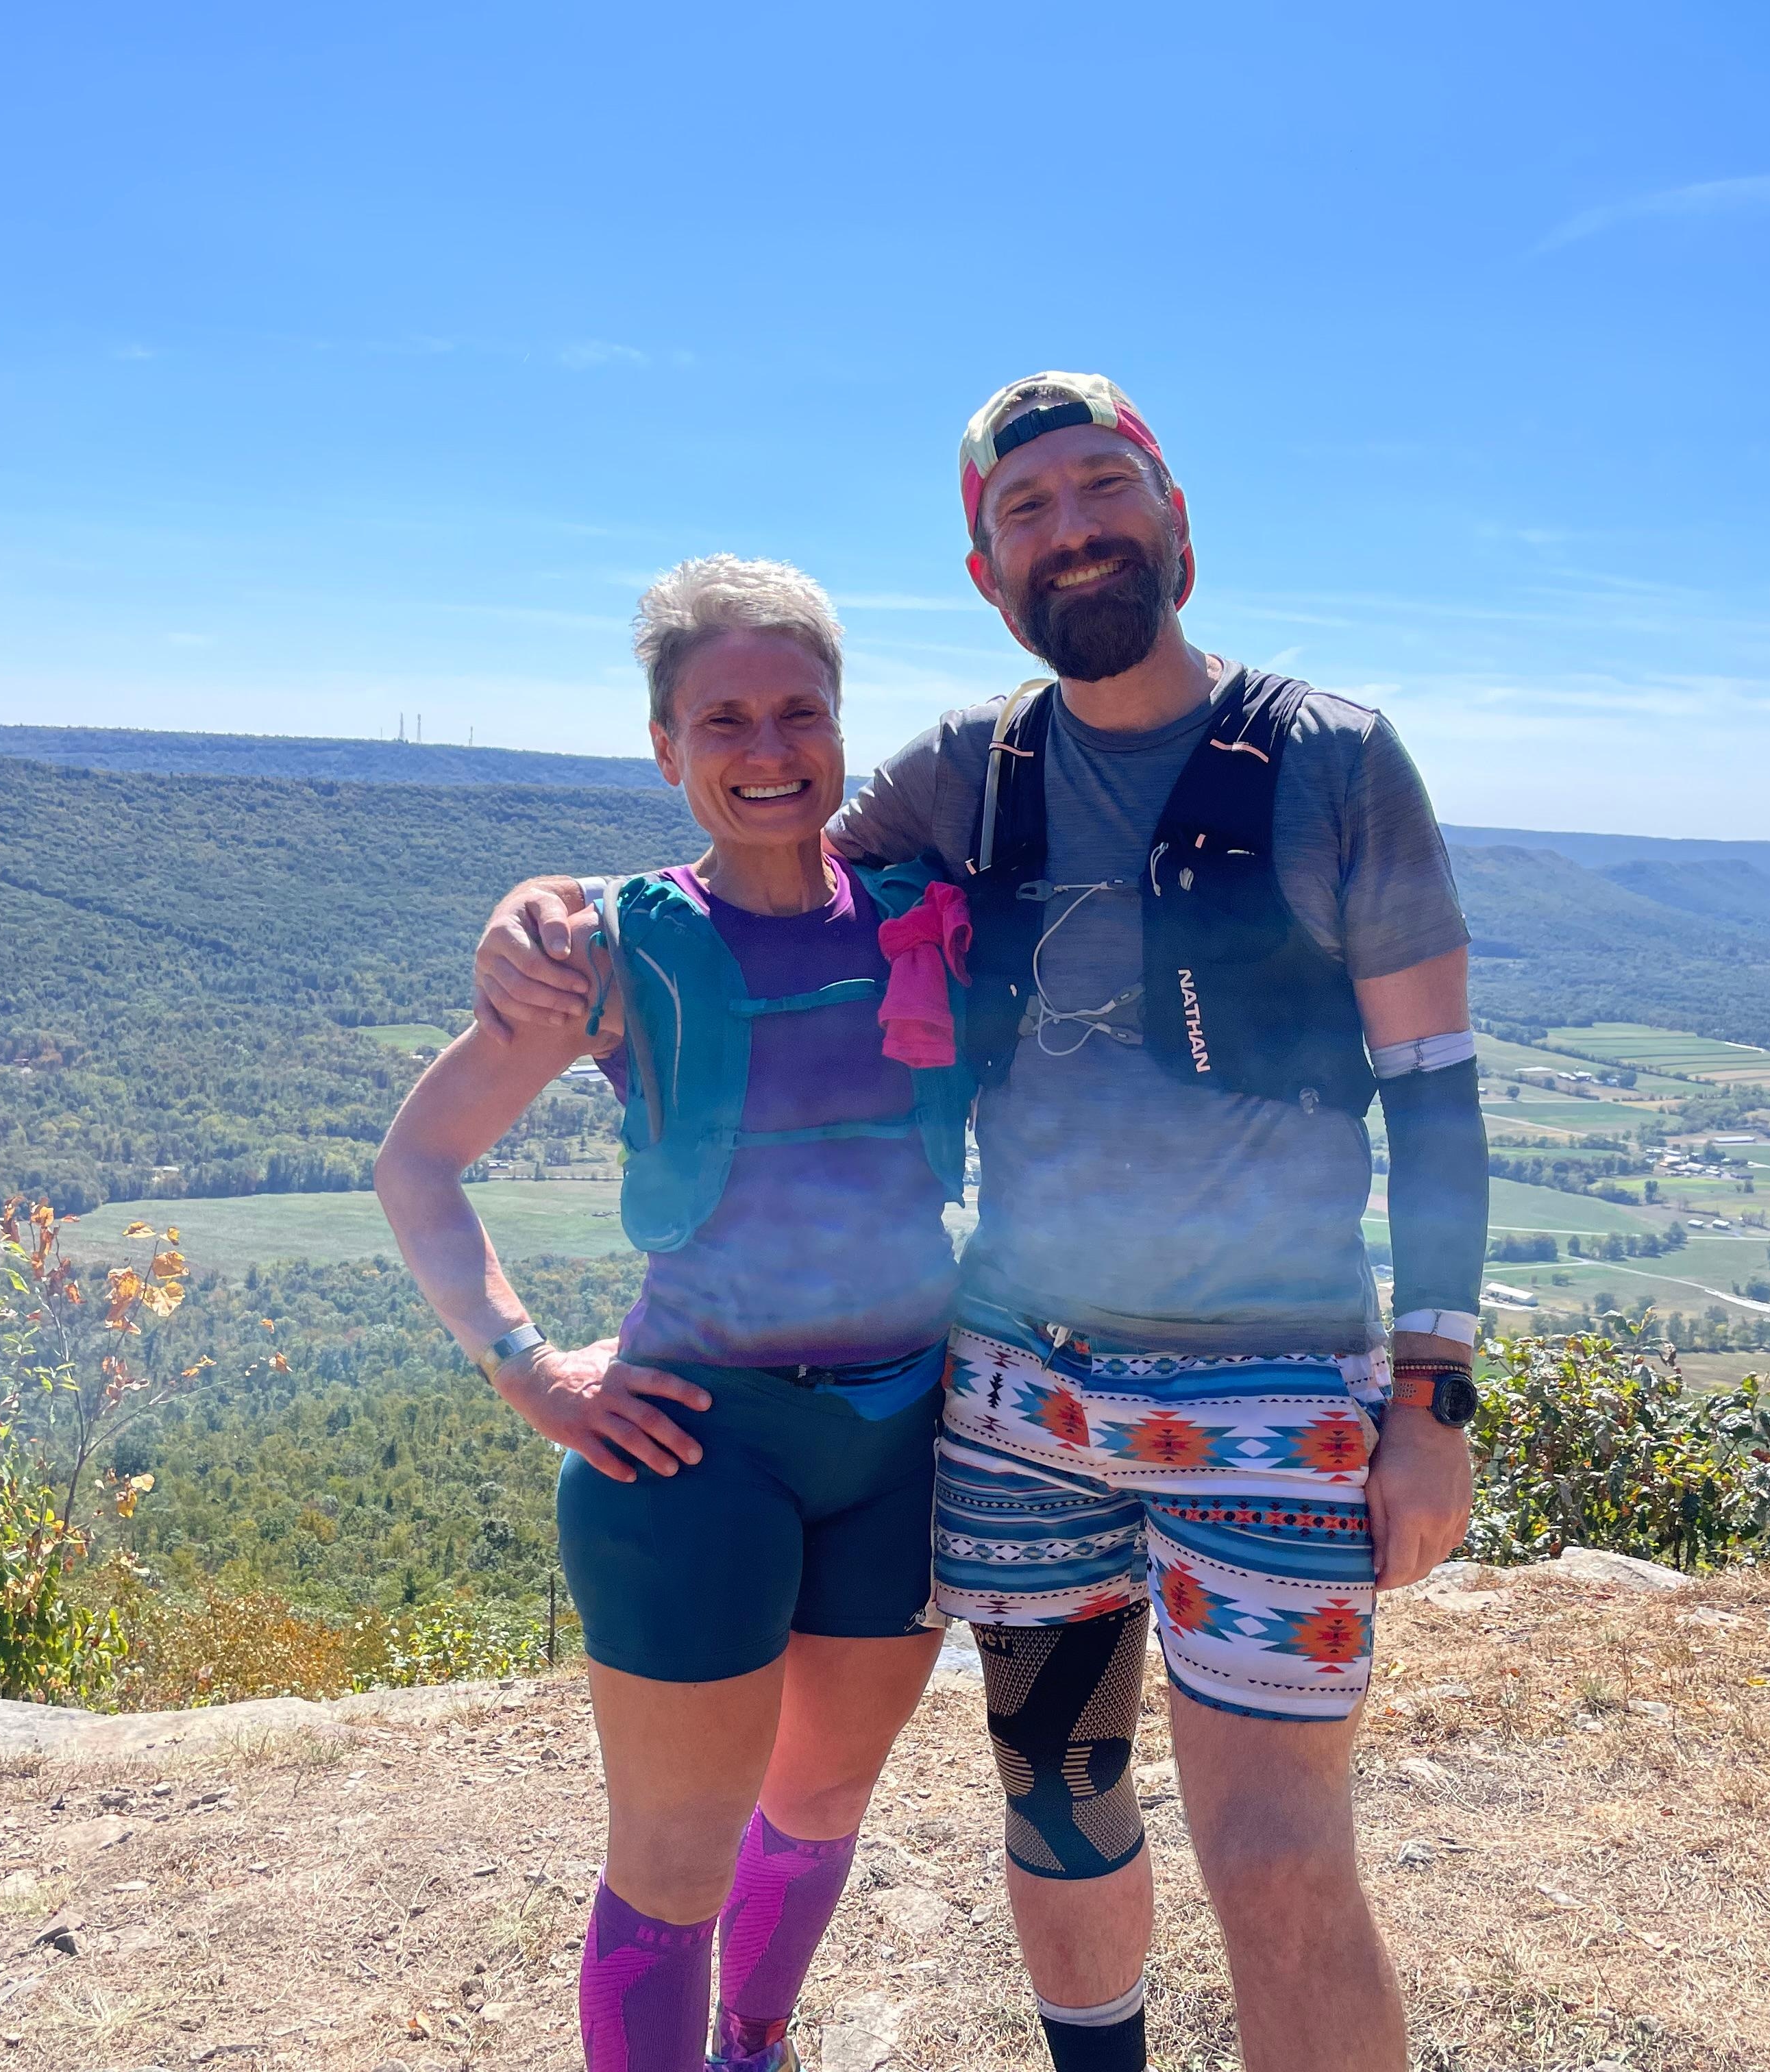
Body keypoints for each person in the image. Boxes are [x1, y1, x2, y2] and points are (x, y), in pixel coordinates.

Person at [473, 375, 1489, 2072]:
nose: (1072, 528)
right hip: (1025, 1402)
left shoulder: (1329, 758)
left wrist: (1434, 1398)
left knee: (1275, 1853)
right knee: (1064, 1800)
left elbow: (1435, 1092)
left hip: (1273, 1396)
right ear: (985, 571)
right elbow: (758, 874)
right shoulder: (967, 772)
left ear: (1176, 520)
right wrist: (550, 915)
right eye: (1027, 508)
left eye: (1103, 486)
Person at [376, 555, 979, 2072]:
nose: (769, 749)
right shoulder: (615, 950)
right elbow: (419, 1163)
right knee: (673, 1860)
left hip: (905, 1441)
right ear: (665, 748)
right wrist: (527, 1370)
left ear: (842, 724)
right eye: (724, 720)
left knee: (823, 1804)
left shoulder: (924, 918)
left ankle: (755, 2048)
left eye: (800, 711)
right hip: (694, 1450)